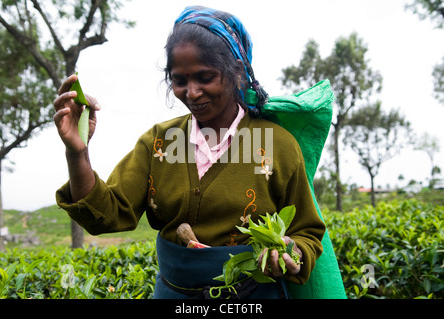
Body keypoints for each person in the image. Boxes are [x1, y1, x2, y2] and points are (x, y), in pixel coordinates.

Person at [53, 5, 325, 299]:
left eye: (205, 78)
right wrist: (77, 153)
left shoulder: (277, 145)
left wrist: (290, 254)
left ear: (236, 71)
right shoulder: (159, 143)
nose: (191, 93)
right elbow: (105, 215)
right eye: (179, 81)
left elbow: (307, 231)